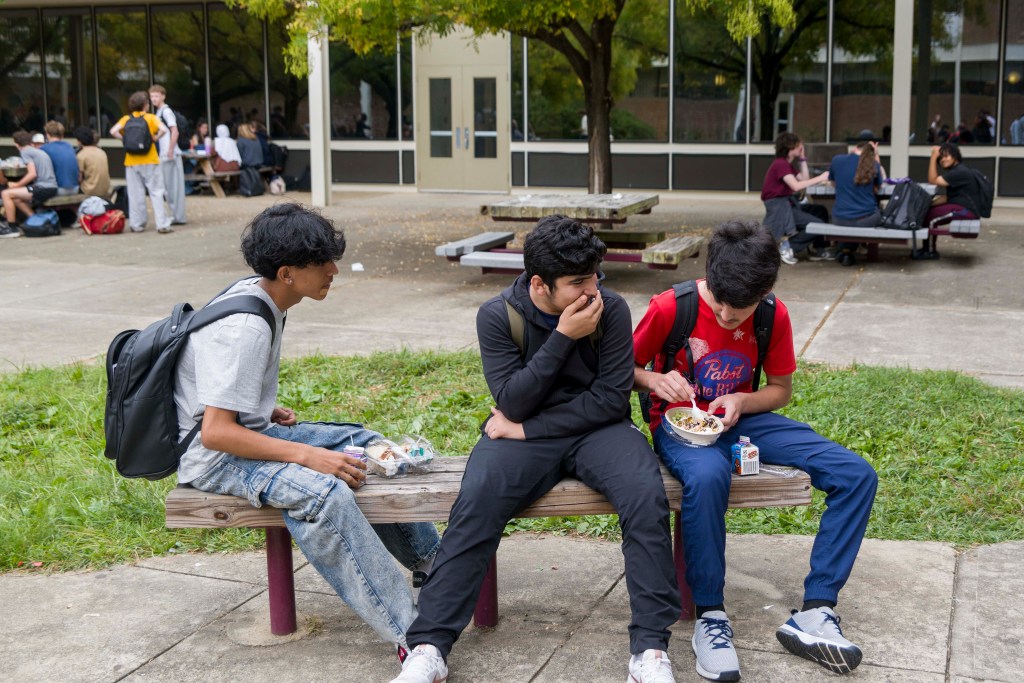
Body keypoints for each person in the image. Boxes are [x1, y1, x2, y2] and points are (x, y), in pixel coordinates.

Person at [392, 216, 681, 683]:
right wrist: (564, 336)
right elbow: (513, 399)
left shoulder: (611, 307)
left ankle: (650, 650)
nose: (593, 291)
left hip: (593, 431)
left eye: (596, 276)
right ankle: (429, 645)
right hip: (522, 429)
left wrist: (527, 431)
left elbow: (609, 399)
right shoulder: (497, 315)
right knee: (478, 500)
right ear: (540, 284)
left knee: (645, 498)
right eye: (578, 283)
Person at [173, 202, 440, 651]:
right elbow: (215, 433)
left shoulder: (264, 297)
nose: (334, 269)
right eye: (321, 262)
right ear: (287, 273)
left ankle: (432, 564)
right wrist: (308, 455)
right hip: (214, 459)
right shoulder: (245, 327)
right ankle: (413, 636)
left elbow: (220, 393)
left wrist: (261, 407)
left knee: (366, 446)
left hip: (242, 434)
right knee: (325, 493)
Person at [632, 221, 878, 681]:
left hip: (745, 420)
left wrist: (744, 400)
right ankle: (711, 616)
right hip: (680, 424)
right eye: (720, 306)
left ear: (765, 290)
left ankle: (817, 611)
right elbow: (623, 365)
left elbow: (780, 389)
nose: (727, 316)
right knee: (707, 477)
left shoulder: (772, 314)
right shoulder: (671, 307)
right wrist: (652, 379)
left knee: (856, 474)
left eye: (739, 311)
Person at [760, 131, 832, 265]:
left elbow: (805, 179)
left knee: (820, 210)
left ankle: (819, 249)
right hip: (780, 206)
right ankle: (788, 246)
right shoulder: (780, 164)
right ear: (790, 147)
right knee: (818, 225)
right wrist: (821, 177)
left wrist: (803, 159)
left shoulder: (787, 165)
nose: (801, 146)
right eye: (799, 144)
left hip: (789, 203)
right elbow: (796, 186)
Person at [110, 91, 172, 233]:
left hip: (131, 161)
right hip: (150, 159)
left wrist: (124, 139)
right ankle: (162, 224)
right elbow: (164, 129)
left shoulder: (126, 119)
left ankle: (137, 224)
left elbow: (113, 131)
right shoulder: (151, 118)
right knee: (156, 191)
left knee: (135, 193)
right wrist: (155, 138)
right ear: (145, 105)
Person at [920, 143, 985, 257]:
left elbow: (932, 180)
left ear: (955, 156)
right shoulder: (956, 171)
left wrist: (933, 157)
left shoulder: (959, 172)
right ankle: (927, 249)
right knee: (927, 213)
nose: (942, 160)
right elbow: (947, 197)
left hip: (966, 211)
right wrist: (928, 205)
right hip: (960, 207)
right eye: (940, 158)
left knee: (930, 218)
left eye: (946, 156)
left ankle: (930, 252)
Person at [829, 138, 884, 266]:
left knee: (850, 219)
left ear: (854, 149)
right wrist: (876, 155)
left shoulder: (837, 160)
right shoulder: (873, 164)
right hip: (866, 220)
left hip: (839, 219)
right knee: (878, 212)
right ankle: (859, 248)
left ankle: (846, 251)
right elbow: (879, 187)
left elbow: (833, 183)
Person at [0, 130, 59, 238]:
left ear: (16, 144)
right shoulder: (36, 150)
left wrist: (16, 185)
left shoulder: (25, 152)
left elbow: (32, 174)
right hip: (51, 187)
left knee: (6, 194)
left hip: (43, 187)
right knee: (16, 198)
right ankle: (36, 221)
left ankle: (11, 228)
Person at [149, 85, 186, 226]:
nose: (154, 99)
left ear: (163, 96)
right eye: (152, 96)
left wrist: (170, 150)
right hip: (166, 153)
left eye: (156, 96)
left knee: (172, 187)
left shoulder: (166, 112)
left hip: (168, 154)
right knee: (170, 187)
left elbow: (174, 131)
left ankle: (177, 216)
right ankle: (176, 215)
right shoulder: (160, 112)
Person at [40, 121, 80, 196]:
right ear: (62, 134)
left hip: (59, 189)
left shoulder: (44, 149)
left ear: (47, 135)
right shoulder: (69, 146)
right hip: (75, 188)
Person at [73, 126, 111, 199]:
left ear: (79, 141)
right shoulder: (102, 152)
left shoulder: (81, 155)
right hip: (105, 190)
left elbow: (79, 178)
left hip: (89, 191)